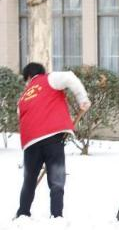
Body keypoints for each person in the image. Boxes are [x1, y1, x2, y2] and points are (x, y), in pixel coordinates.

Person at [16, 62, 91, 218]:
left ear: (28, 77)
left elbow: (20, 117)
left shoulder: (23, 97)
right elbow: (70, 77)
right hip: (52, 137)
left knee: (29, 180)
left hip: (30, 141)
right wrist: (82, 99)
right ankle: (56, 215)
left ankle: (23, 213)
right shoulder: (49, 78)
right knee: (56, 179)